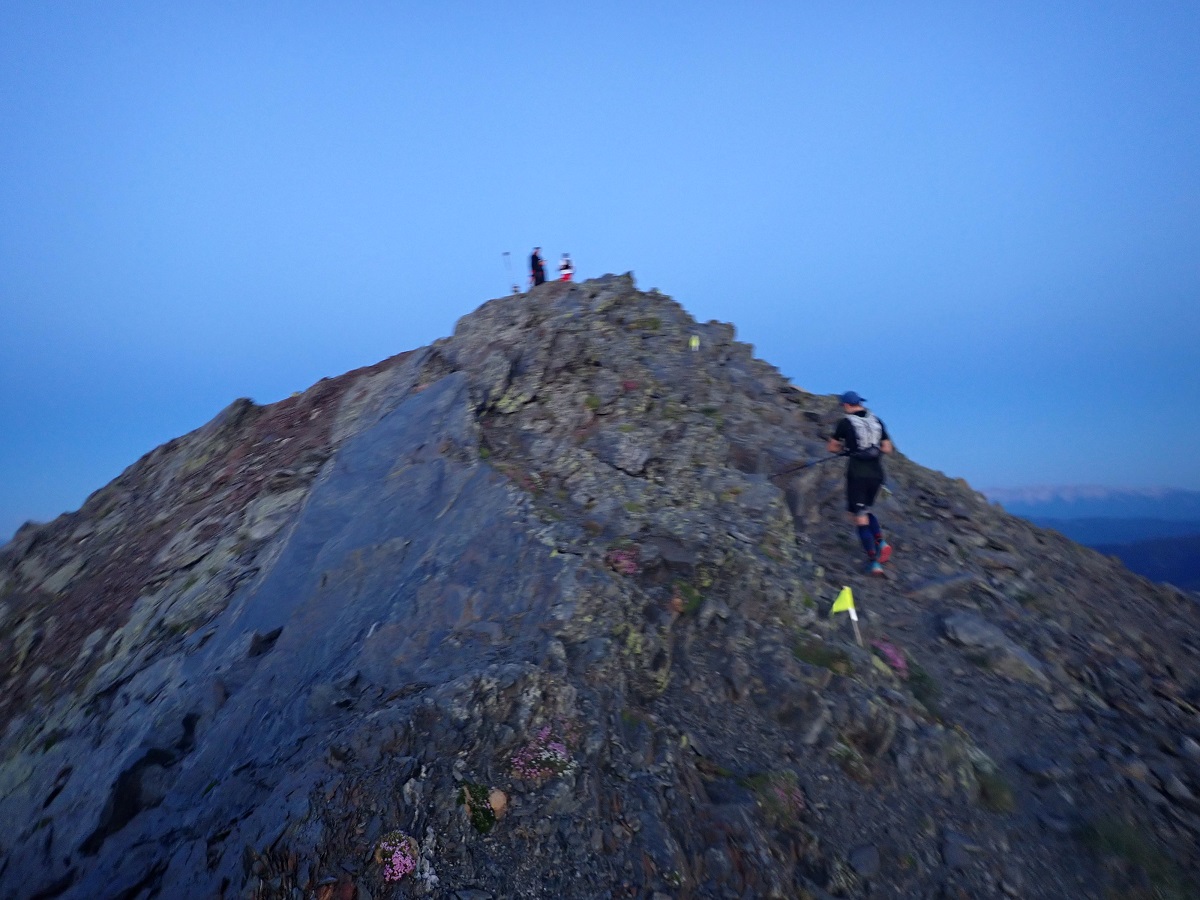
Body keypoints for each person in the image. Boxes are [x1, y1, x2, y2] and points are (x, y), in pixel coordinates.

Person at [826, 391, 894, 575]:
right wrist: (873, 450)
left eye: (843, 406)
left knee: (860, 516)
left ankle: (874, 562)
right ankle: (881, 542)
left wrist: (846, 448)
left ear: (847, 405)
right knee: (864, 509)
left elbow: (831, 447)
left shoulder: (846, 423)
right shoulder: (877, 421)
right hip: (877, 474)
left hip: (857, 474)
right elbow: (887, 448)